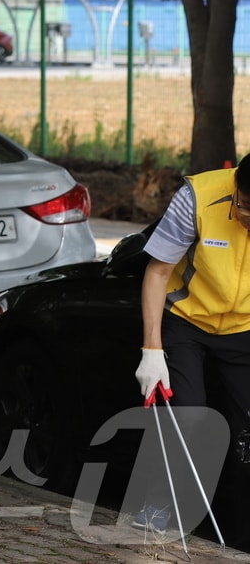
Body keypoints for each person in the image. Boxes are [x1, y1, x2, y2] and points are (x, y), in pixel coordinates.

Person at [133, 154, 250, 530]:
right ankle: (158, 509)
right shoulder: (198, 197)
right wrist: (151, 350)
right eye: (247, 208)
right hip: (187, 320)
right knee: (189, 418)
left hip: (245, 327)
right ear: (236, 189)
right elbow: (158, 271)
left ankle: (237, 522)